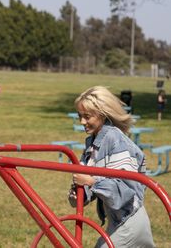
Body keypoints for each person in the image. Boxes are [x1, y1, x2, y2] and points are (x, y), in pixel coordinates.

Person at [68, 86, 155, 248]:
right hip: (117, 221)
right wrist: (78, 193)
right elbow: (88, 185)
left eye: (87, 116)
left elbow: (125, 190)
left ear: (103, 114)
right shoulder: (93, 144)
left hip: (130, 221)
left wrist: (91, 182)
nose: (82, 122)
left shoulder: (115, 139)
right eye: (80, 116)